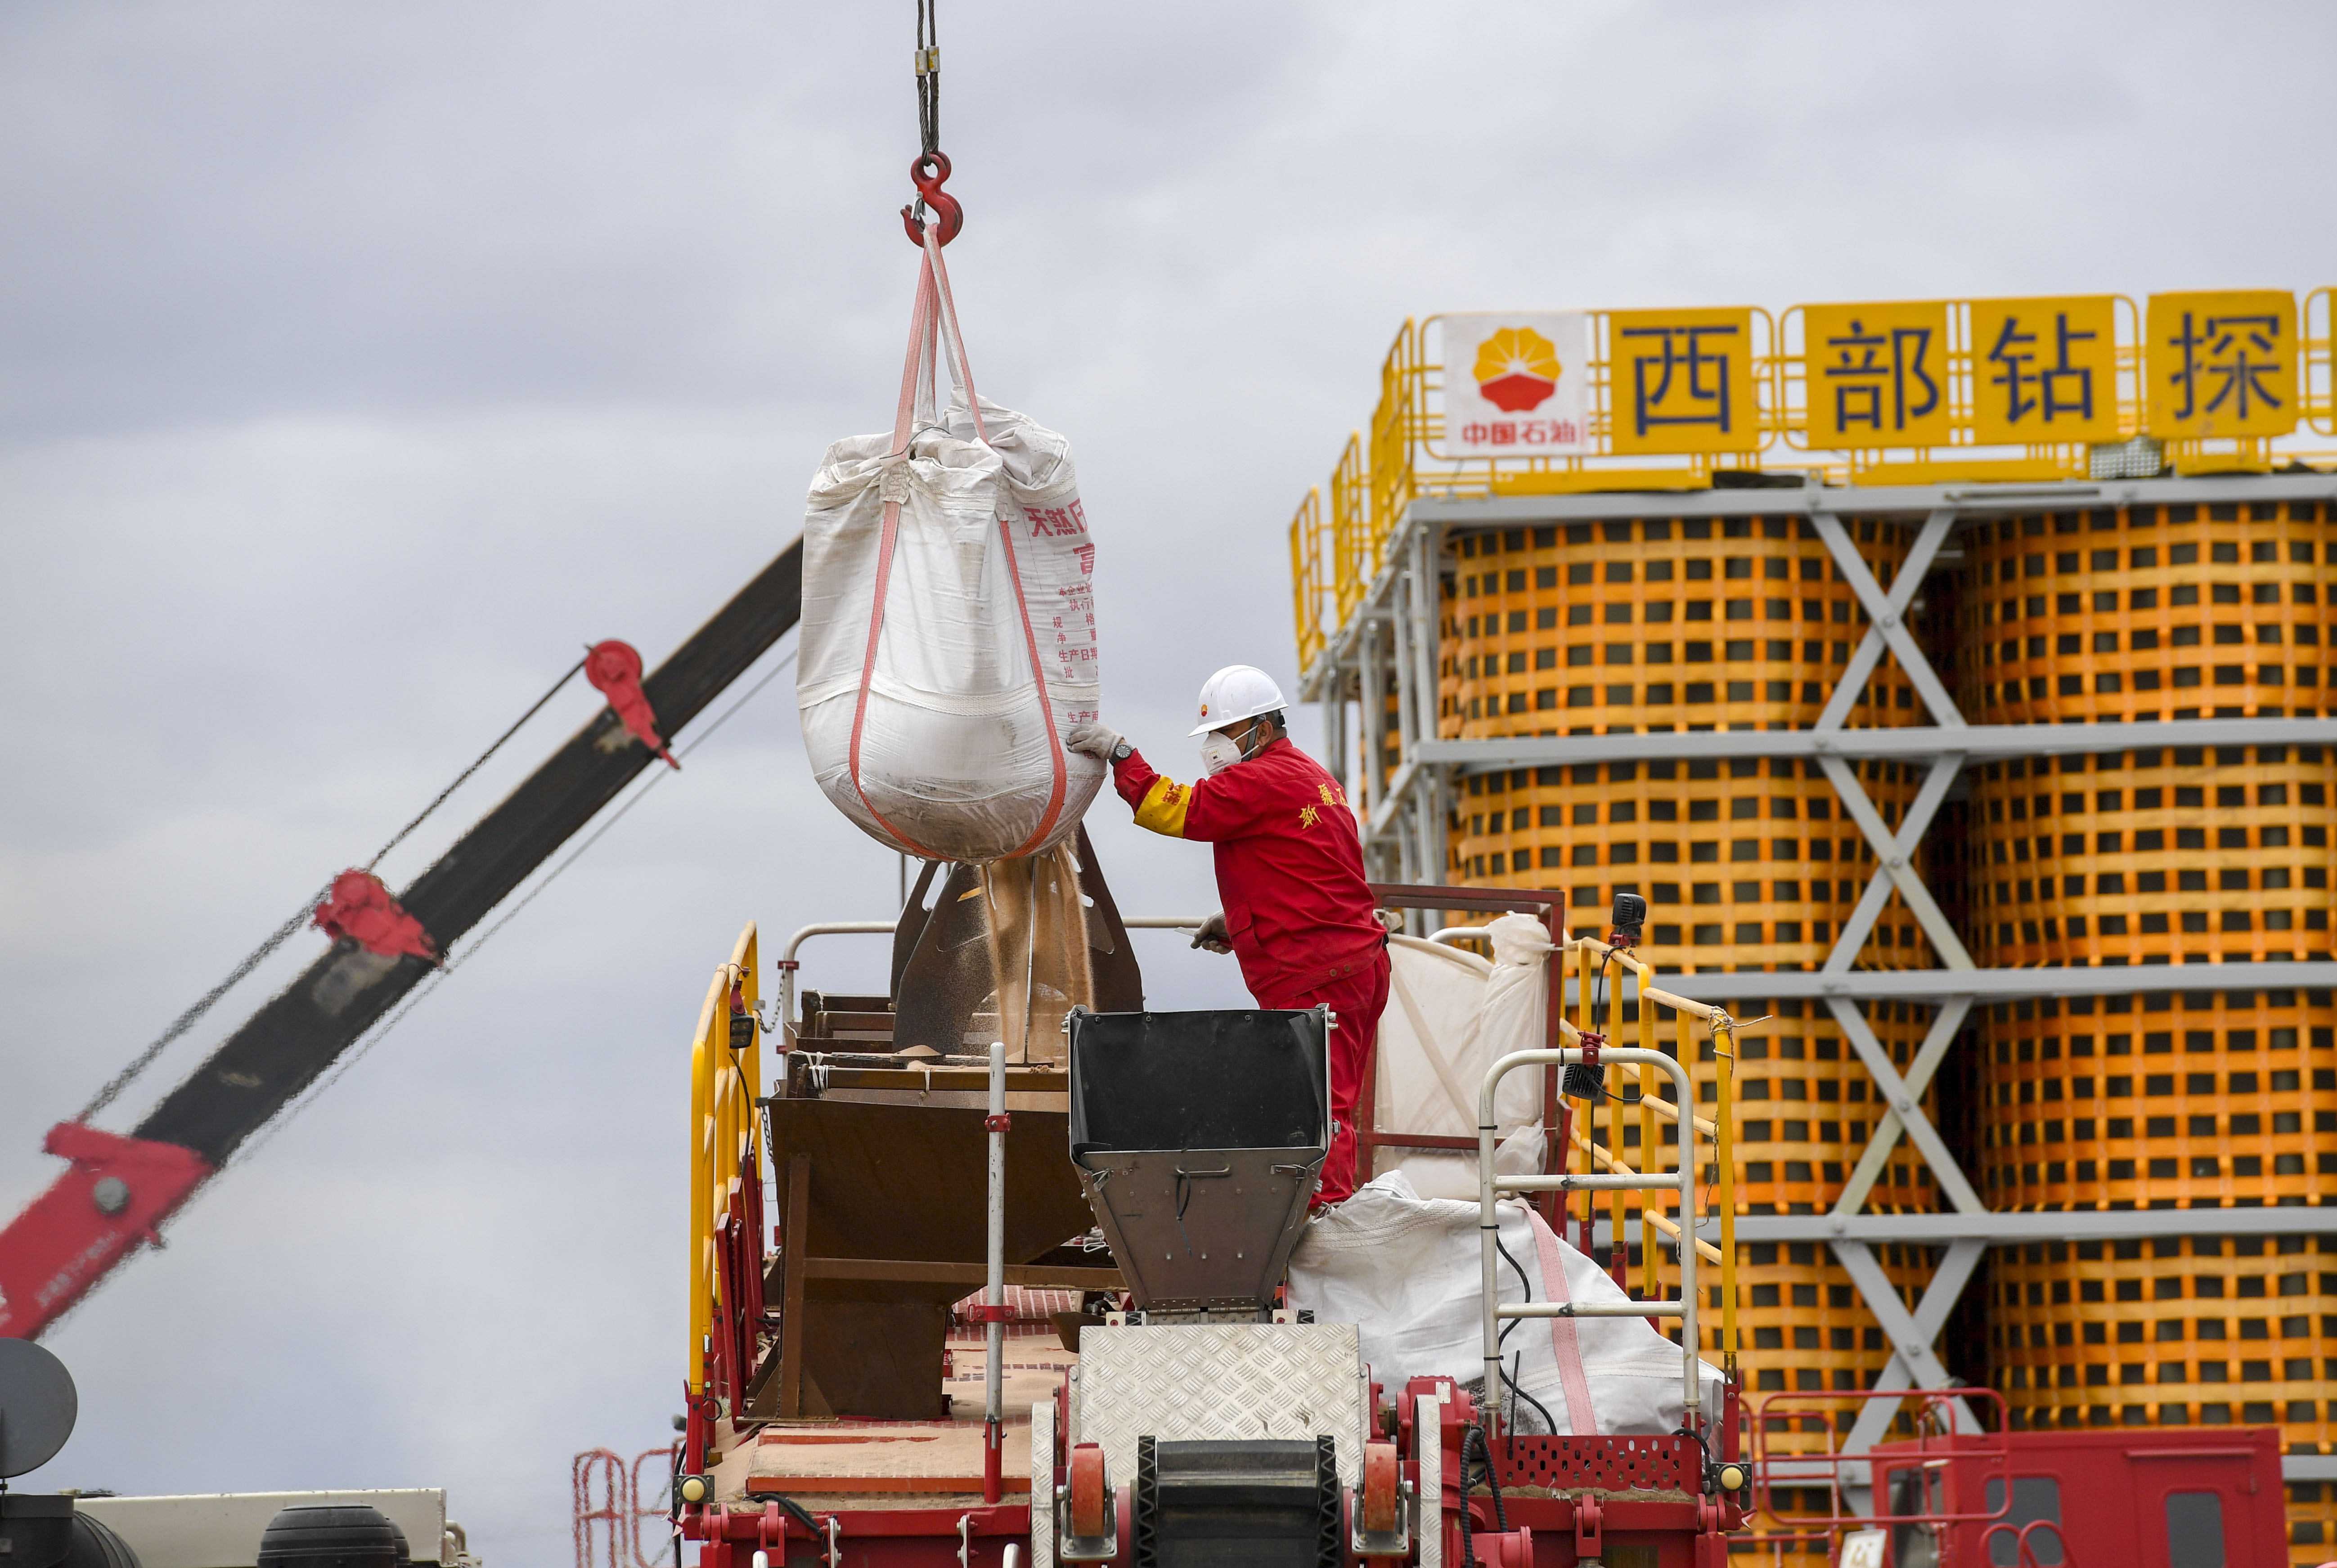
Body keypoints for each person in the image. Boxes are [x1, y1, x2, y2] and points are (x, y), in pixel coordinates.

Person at [1065, 665, 1389, 1205]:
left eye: (1223, 732)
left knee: (1316, 1107)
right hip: (1349, 963)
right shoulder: (1313, 778)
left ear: (1261, 730)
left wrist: (1122, 753)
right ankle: (1323, 1225)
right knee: (1329, 1102)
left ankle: (1324, 1232)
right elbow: (1309, 873)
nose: (1214, 747)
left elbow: (1174, 810)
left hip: (1319, 973)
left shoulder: (1258, 780)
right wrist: (1240, 921)